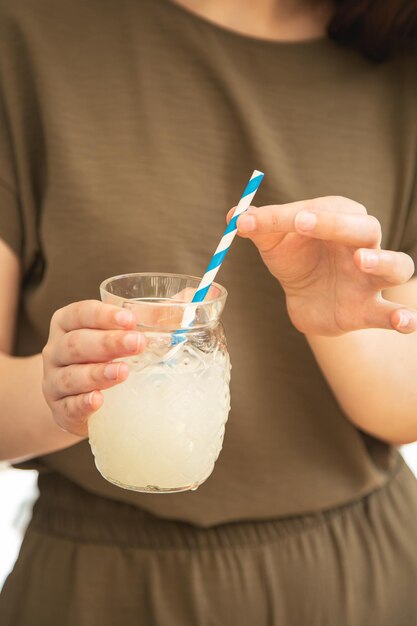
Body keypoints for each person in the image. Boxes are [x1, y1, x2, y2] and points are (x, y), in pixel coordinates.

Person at [0, 0, 416, 623]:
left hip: (364, 582)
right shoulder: (26, 33)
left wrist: (339, 327)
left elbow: (404, 407)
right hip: (100, 590)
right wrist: (63, 389)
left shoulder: (400, 67)